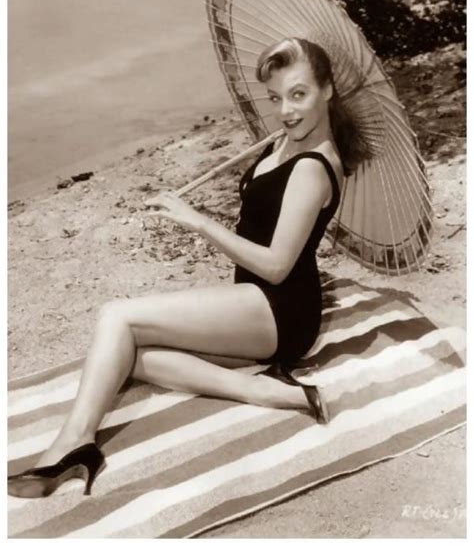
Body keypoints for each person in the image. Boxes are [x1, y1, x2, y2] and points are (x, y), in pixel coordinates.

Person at [8, 37, 370, 499]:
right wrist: (277, 148)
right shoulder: (284, 141)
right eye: (275, 98)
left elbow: (278, 266)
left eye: (299, 95)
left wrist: (197, 220)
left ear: (328, 90)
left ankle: (75, 444)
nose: (286, 111)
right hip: (253, 304)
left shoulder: (313, 167)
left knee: (115, 317)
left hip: (280, 310)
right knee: (127, 357)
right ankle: (269, 391)